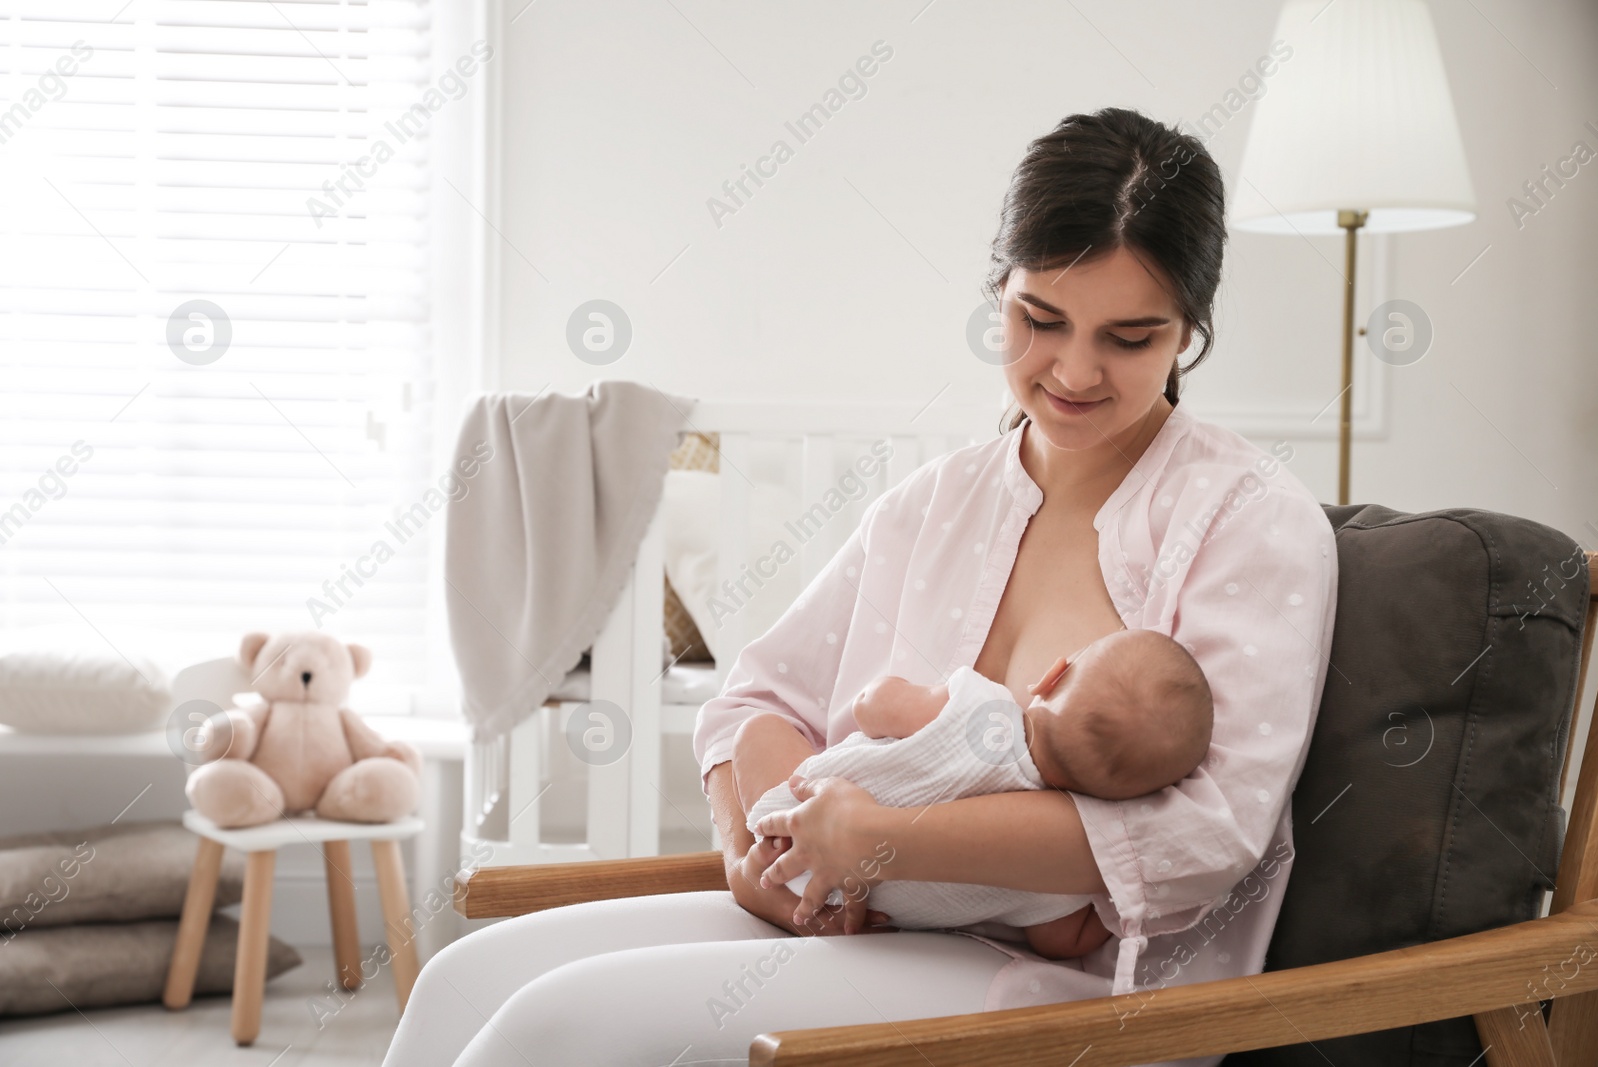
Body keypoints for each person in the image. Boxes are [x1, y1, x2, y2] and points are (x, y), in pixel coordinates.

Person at [381, 106, 1338, 1067]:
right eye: (1039, 320)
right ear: (997, 292)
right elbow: (758, 699)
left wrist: (885, 840)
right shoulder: (936, 502)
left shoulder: (1249, 519)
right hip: (861, 922)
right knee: (462, 979)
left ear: (1190, 335)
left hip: (1074, 994)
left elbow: (1206, 834)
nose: (1075, 370)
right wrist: (758, 857)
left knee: (554, 1031)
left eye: (1130, 338)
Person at [737, 628, 1214, 961]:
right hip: (851, 915)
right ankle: (759, 880)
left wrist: (893, 692)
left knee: (759, 730)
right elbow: (1064, 942)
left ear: (1051, 676)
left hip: (796, 815)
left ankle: (750, 871)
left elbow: (872, 705)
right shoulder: (1053, 873)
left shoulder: (982, 710)